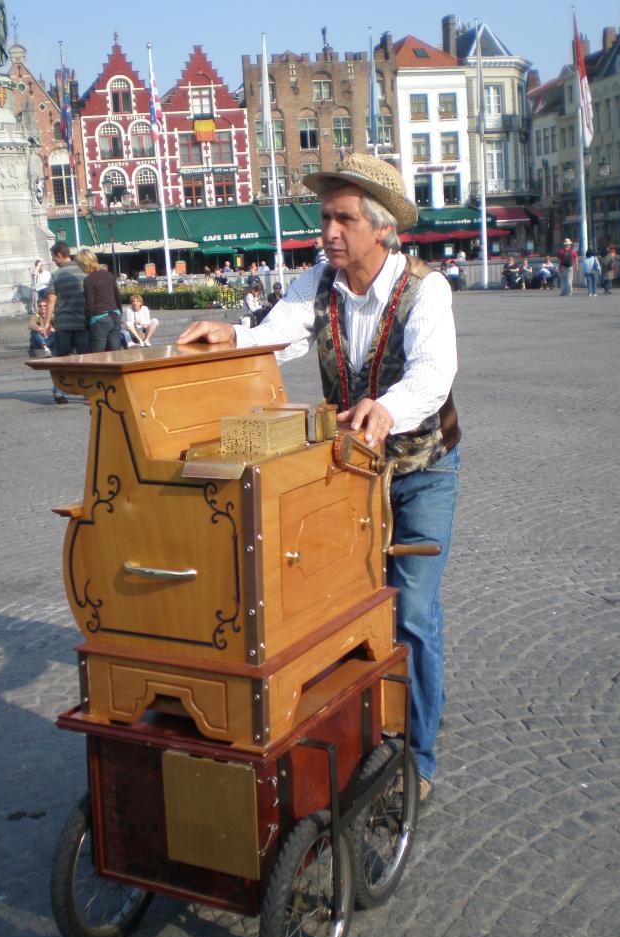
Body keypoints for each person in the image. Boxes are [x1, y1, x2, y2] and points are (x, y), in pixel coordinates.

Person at [175, 152, 460, 804]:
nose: (326, 232)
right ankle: (360, 737)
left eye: (341, 220)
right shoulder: (318, 282)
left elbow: (433, 373)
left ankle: (418, 760)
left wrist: (387, 408)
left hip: (423, 468)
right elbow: (279, 333)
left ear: (380, 228)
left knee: (411, 612)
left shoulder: (427, 289)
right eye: (324, 218)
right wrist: (231, 335)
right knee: (342, 607)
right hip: (352, 472)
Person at [41, 241, 88, 404]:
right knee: (86, 357)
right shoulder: (83, 271)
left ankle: (58, 391)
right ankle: (87, 391)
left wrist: (47, 323)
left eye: (53, 257)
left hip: (63, 322)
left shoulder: (56, 275)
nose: (53, 260)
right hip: (83, 321)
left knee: (61, 357)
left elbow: (51, 300)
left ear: (59, 255)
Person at [76, 248, 123, 353]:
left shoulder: (89, 280)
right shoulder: (109, 275)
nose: (80, 268)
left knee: (98, 355)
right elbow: (118, 297)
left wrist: (87, 323)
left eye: (80, 265)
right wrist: (120, 313)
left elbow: (90, 305)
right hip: (115, 315)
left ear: (84, 264)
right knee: (116, 353)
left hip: (99, 318)